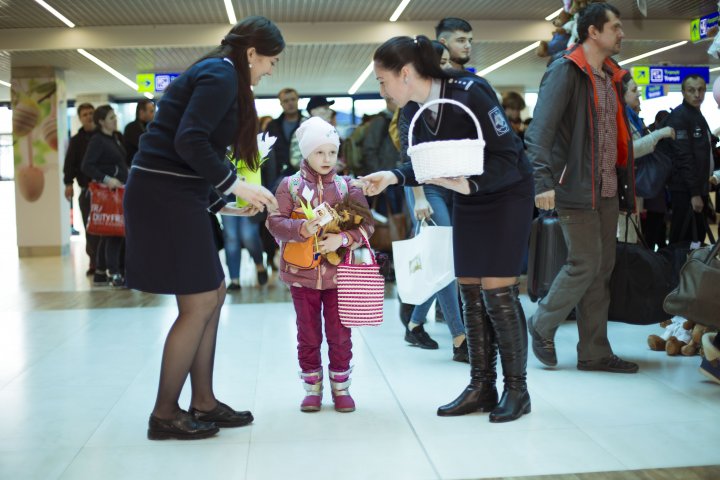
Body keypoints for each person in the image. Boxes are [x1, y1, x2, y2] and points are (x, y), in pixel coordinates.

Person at [123, 16, 283, 441]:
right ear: (251, 52)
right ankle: (164, 414)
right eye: (270, 61)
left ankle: (204, 402)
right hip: (164, 196)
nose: (270, 70)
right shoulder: (220, 74)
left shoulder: (219, 73)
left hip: (177, 192)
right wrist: (237, 185)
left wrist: (224, 204)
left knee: (211, 293)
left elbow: (192, 150)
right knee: (197, 303)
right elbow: (189, 141)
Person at [361, 35, 535, 423]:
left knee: (497, 290)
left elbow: (509, 155)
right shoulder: (412, 111)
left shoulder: (470, 92)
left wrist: (469, 183)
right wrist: (390, 176)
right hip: (469, 198)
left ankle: (517, 390)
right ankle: (481, 385)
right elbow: (421, 165)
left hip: (507, 195)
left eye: (382, 79)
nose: (381, 88)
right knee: (468, 287)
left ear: (405, 73)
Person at [524, 3, 639, 374]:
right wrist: (543, 183)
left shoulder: (610, 76)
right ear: (593, 32)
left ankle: (594, 351)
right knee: (584, 263)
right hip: (573, 187)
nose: (622, 33)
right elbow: (538, 133)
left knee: (602, 268)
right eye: (616, 27)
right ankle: (542, 324)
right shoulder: (566, 71)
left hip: (605, 188)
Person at [266, 116, 374, 413]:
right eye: (319, 152)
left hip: (340, 276)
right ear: (305, 153)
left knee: (340, 334)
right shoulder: (290, 186)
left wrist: (341, 241)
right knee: (307, 334)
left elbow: (367, 227)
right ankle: (312, 387)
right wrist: (302, 229)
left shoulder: (347, 186)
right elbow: (274, 223)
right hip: (301, 276)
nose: (327, 159)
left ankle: (342, 387)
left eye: (332, 152)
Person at [400, 41, 467, 361]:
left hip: (455, 187)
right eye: (439, 61)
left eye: (447, 61)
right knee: (445, 260)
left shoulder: (453, 97)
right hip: (427, 188)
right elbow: (408, 156)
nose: (446, 67)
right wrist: (418, 197)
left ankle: (414, 324)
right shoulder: (412, 104)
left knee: (436, 260)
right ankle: (459, 336)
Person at [619, 75, 675, 244]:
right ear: (622, 95)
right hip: (622, 191)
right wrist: (659, 134)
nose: (638, 94)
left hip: (633, 189)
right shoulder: (620, 119)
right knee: (626, 238)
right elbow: (629, 151)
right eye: (634, 90)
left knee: (633, 237)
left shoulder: (633, 120)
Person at [81, 105, 128, 287]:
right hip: (108, 192)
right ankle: (114, 273)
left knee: (109, 232)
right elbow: (87, 165)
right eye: (110, 117)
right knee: (114, 233)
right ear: (101, 122)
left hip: (118, 191)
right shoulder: (98, 140)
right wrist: (107, 179)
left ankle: (101, 272)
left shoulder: (114, 138)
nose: (115, 120)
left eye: (114, 116)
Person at [666, 74, 714, 244]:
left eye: (701, 90)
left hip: (697, 188)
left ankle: (689, 270)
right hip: (685, 191)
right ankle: (678, 270)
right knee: (684, 239)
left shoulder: (696, 115)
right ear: (683, 92)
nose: (697, 94)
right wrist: (694, 193)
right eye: (691, 90)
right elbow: (683, 157)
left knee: (696, 239)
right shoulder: (680, 117)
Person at [63, 102, 97, 275]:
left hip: (108, 191)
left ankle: (112, 262)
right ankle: (94, 261)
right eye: (85, 114)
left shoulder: (106, 136)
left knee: (110, 227)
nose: (89, 116)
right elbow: (70, 164)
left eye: (91, 113)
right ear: (80, 118)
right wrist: (68, 184)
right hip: (87, 191)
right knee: (89, 227)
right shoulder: (76, 141)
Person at [123, 98, 156, 165]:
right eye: (151, 111)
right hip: (135, 166)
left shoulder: (151, 126)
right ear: (142, 112)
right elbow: (146, 146)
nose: (154, 115)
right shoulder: (131, 128)